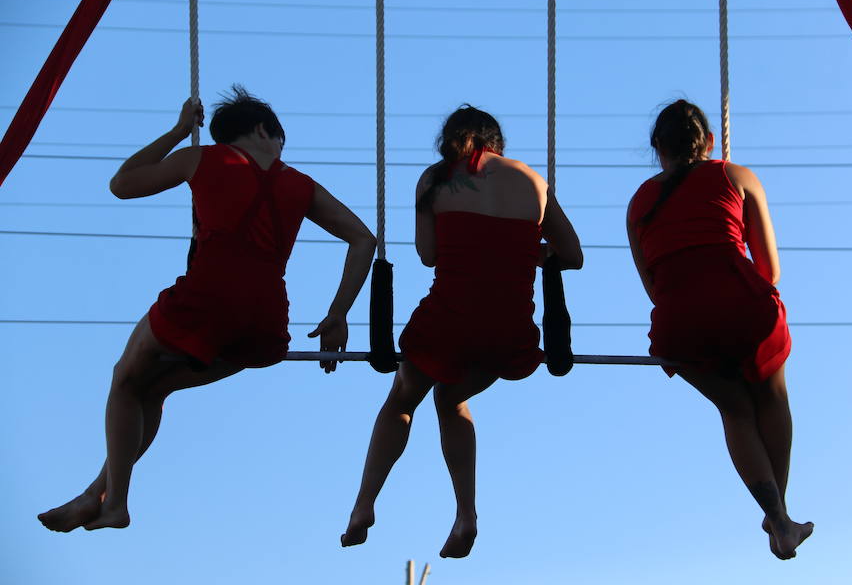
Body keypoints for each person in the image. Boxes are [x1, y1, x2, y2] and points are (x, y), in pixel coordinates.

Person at [38, 86, 376, 532]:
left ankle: (114, 501)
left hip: (206, 300)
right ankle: (95, 494)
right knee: (152, 391)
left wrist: (179, 131)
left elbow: (122, 184)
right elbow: (363, 238)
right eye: (280, 139)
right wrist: (338, 313)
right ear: (262, 129)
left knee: (125, 380)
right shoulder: (300, 185)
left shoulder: (200, 159)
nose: (281, 149)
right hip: (265, 323)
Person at [341, 105, 583, 558]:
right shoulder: (532, 181)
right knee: (451, 397)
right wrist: (525, 249)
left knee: (402, 400)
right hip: (509, 329)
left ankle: (364, 504)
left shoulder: (435, 179)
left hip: (447, 320)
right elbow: (572, 254)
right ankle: (465, 514)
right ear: (497, 142)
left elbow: (429, 254)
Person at [626, 99, 813, 560]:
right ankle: (780, 518)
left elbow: (653, 287)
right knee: (771, 397)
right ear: (708, 142)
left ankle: (780, 518)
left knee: (734, 410)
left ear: (657, 148)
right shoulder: (737, 177)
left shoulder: (638, 203)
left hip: (682, 321)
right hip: (744, 305)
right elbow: (769, 270)